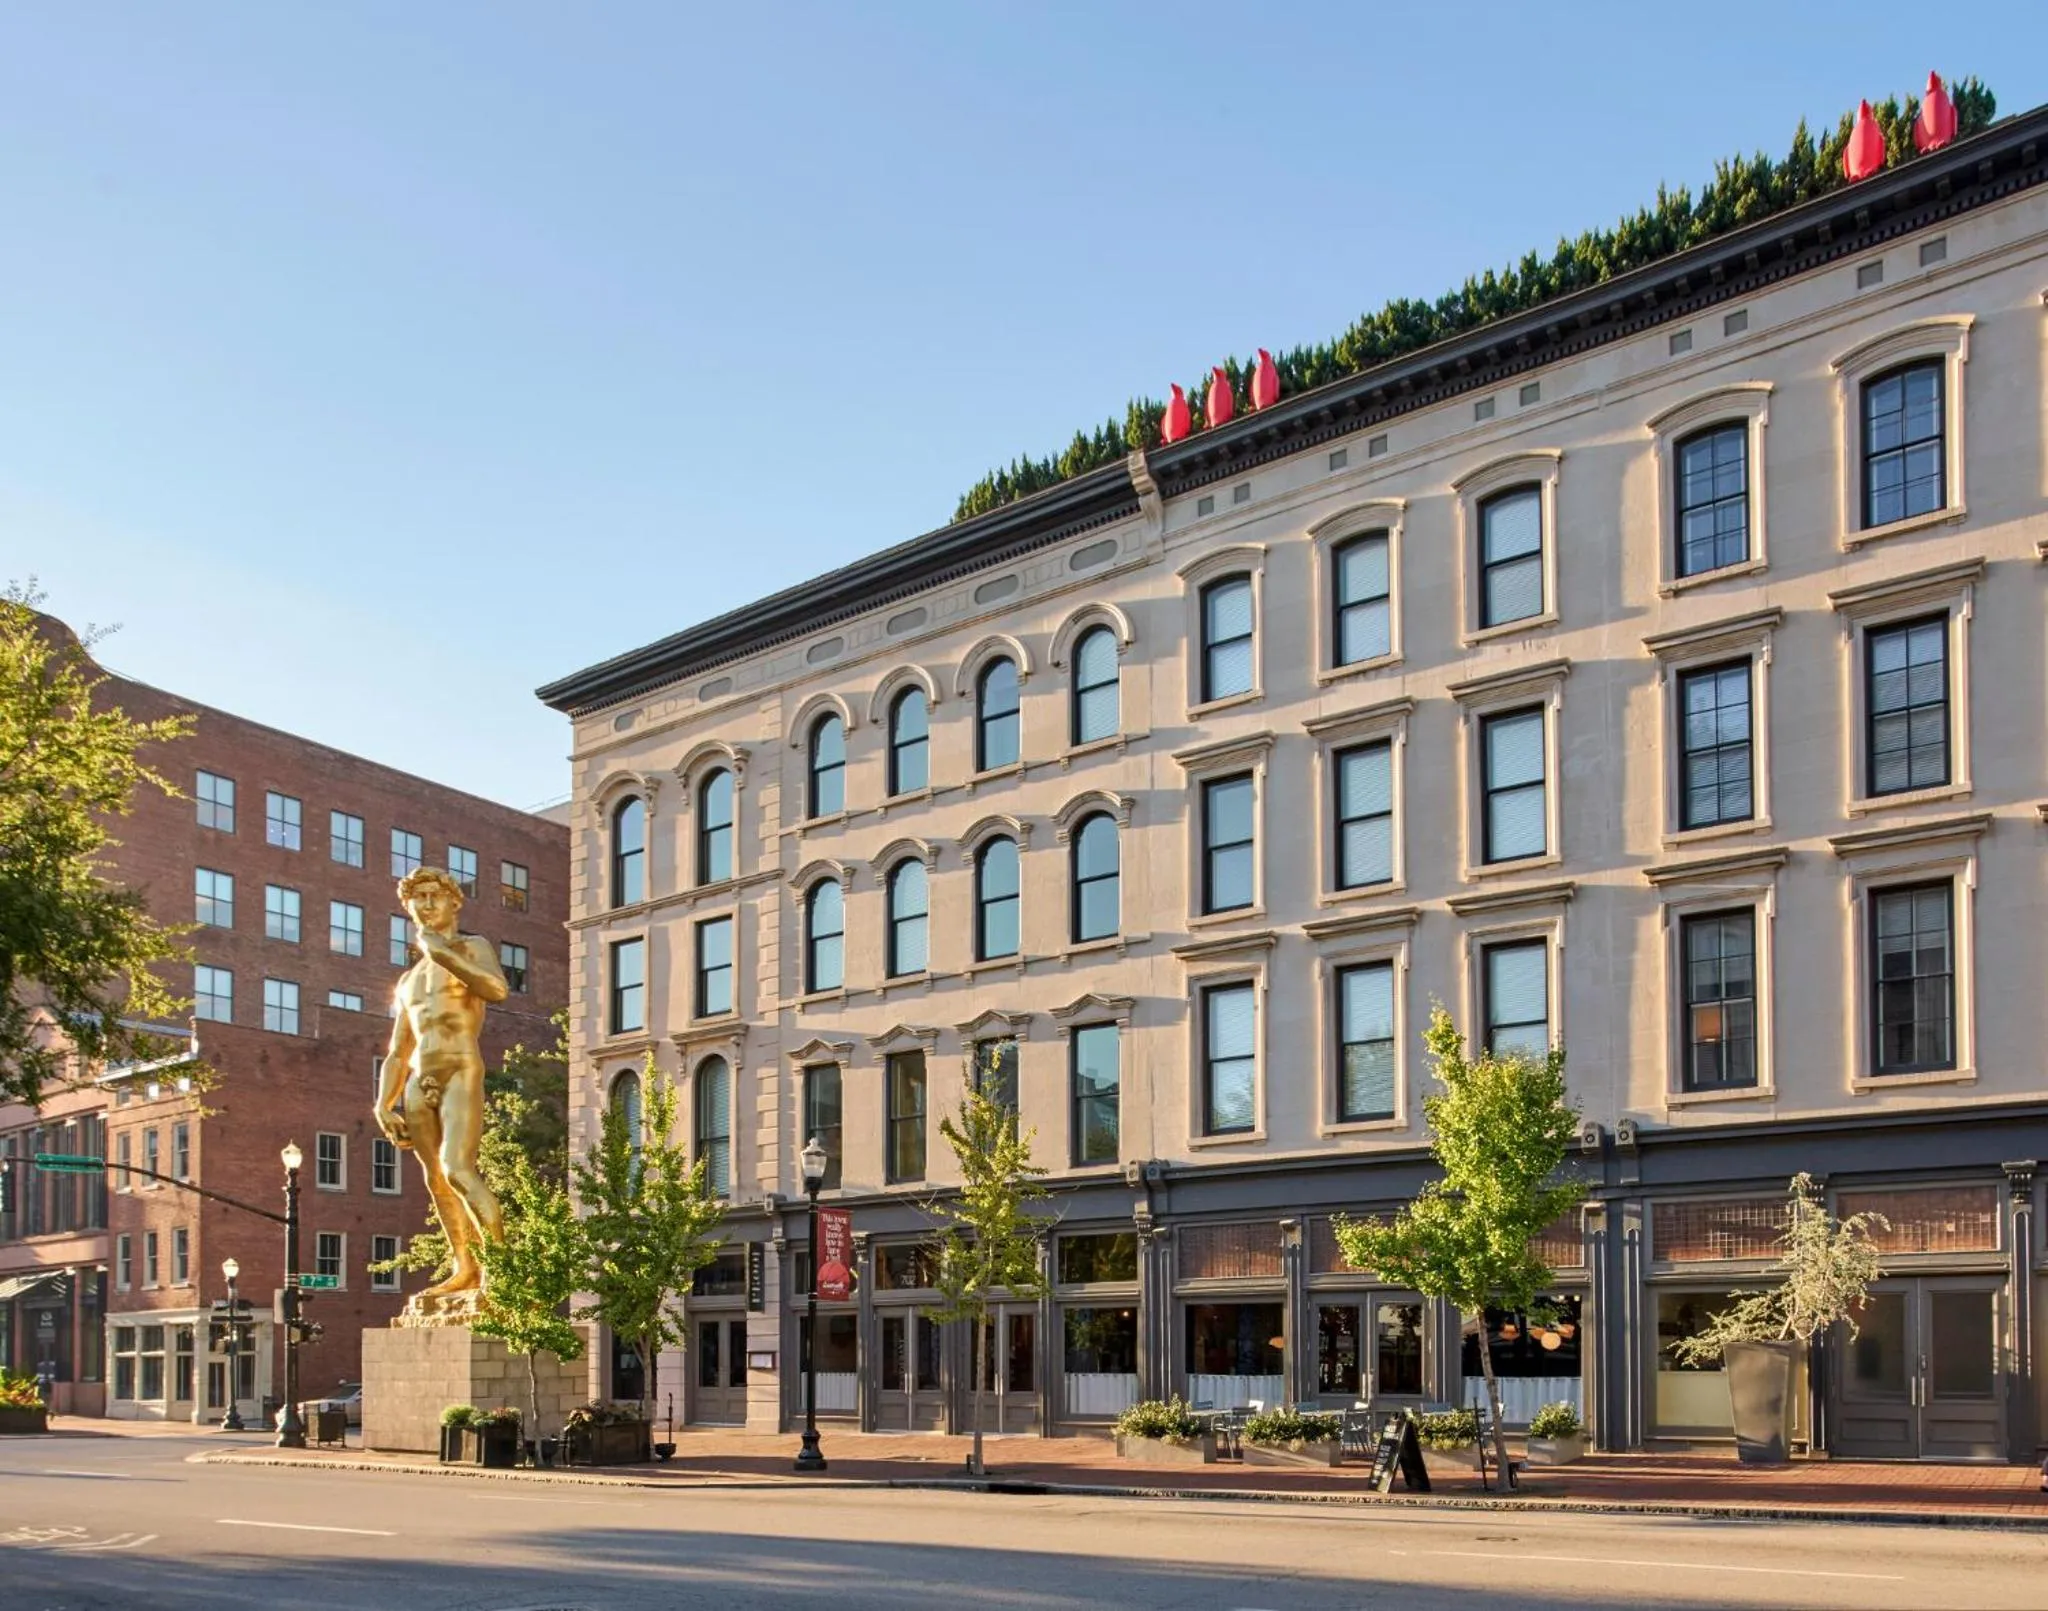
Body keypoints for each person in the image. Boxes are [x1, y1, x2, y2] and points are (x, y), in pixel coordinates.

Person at [374, 866, 507, 1297]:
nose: (426, 904)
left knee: (458, 1171)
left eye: (434, 895)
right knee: (435, 1179)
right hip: (418, 1081)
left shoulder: (472, 947)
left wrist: (441, 952)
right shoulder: (408, 981)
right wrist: (382, 1103)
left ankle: (501, 1275)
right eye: (418, 899)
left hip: (460, 1068)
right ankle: (464, 1268)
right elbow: (398, 1050)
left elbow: (496, 990)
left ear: (454, 902)